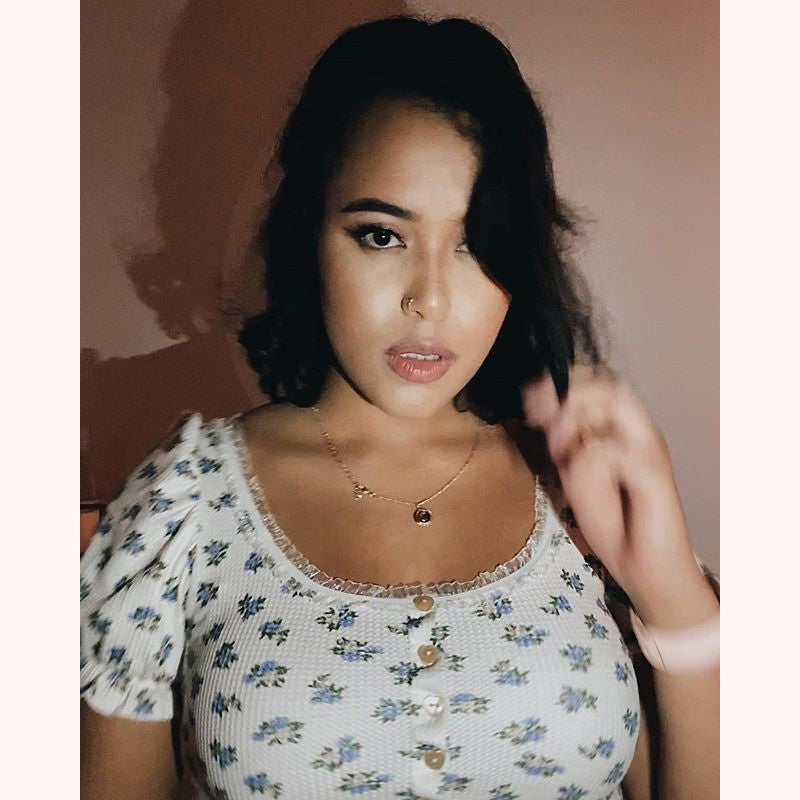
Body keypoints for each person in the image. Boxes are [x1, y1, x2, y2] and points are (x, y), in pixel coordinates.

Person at [80, 14, 719, 800]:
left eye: (476, 243)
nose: (430, 299)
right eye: (382, 236)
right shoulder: (182, 505)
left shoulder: (579, 487)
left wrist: (674, 597)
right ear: (309, 234)